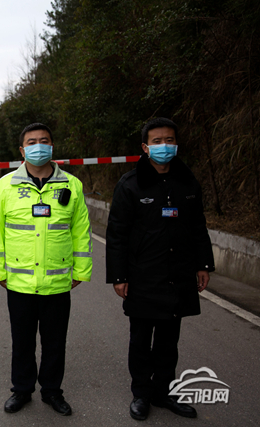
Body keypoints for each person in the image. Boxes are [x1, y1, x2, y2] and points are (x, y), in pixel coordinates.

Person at [106, 117, 215, 421]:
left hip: (178, 274)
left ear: (176, 144)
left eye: (169, 140)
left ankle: (164, 392)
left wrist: (203, 264)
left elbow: (198, 226)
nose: (164, 146)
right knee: (141, 339)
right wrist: (119, 276)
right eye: (157, 141)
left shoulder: (188, 182)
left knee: (169, 340)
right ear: (145, 147)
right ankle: (141, 393)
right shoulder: (130, 184)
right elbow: (117, 233)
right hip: (142, 275)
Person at [0, 123, 92, 415]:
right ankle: (21, 390)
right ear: (22, 151)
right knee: (22, 342)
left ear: (52, 147)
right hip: (18, 282)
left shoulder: (71, 185)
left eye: (44, 141)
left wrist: (81, 270)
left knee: (55, 342)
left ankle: (52, 391)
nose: (38, 146)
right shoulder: (6, 185)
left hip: (57, 281)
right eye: (31, 142)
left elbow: (81, 231)